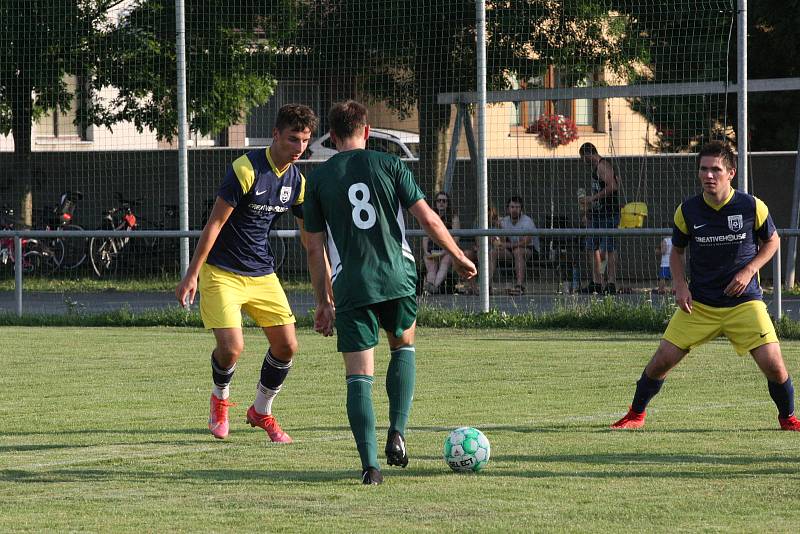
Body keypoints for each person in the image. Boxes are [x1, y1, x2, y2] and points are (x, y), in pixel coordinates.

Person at [303, 100, 477, 485]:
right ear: (366, 131)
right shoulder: (391, 165)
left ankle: (370, 467)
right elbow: (429, 218)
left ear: (331, 138)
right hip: (398, 275)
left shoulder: (316, 180)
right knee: (403, 346)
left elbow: (314, 248)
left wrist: (323, 301)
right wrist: (459, 256)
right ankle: (398, 430)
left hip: (352, 282)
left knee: (358, 376)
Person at [611, 141, 800, 431]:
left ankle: (788, 418)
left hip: (744, 302)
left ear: (731, 173)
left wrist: (749, 270)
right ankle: (635, 415)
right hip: (699, 304)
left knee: (774, 364)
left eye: (716, 169)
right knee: (661, 361)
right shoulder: (688, 211)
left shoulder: (751, 206)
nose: (708, 175)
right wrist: (679, 285)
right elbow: (677, 251)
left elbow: (772, 241)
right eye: (703, 169)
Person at [175, 104, 320, 442]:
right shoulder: (245, 168)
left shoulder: (297, 181)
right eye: (292, 139)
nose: (298, 148)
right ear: (275, 135)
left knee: (287, 346)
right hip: (222, 272)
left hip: (262, 274)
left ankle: (260, 411)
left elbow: (308, 236)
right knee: (232, 348)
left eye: (305, 141)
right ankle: (220, 400)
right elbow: (214, 224)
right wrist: (192, 274)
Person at [578, 142, 620, 294]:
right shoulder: (596, 169)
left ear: (588, 154)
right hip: (597, 214)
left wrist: (592, 198)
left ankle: (611, 283)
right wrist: (588, 212)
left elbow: (613, 186)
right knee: (591, 247)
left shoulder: (603, 165)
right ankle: (596, 282)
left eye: (583, 158)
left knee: (609, 248)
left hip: (608, 214)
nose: (583, 162)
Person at [489, 196, 540, 296]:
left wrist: (506, 244)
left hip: (529, 250)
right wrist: (498, 230)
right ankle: (487, 285)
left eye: (517, 207)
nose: (514, 210)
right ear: (508, 208)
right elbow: (497, 240)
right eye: (512, 207)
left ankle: (519, 286)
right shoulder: (504, 221)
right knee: (493, 252)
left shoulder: (527, 221)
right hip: (511, 250)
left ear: (521, 208)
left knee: (518, 251)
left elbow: (526, 241)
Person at [422, 191, 460, 295]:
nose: (441, 203)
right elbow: (425, 237)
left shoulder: (453, 217)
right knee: (431, 266)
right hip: (432, 249)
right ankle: (431, 287)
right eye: (439, 201)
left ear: (448, 203)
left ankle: (433, 287)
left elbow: (456, 238)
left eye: (444, 201)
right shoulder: (430, 215)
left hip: (447, 250)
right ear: (435, 203)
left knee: (446, 261)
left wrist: (446, 250)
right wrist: (426, 252)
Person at [461, 205, 501, 295]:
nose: (486, 214)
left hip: (495, 250)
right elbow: (478, 241)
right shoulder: (478, 221)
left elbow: (499, 242)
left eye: (488, 211)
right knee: (467, 254)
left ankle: (485, 286)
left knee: (490, 254)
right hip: (481, 249)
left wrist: (490, 240)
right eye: (484, 211)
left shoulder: (498, 222)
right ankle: (474, 288)